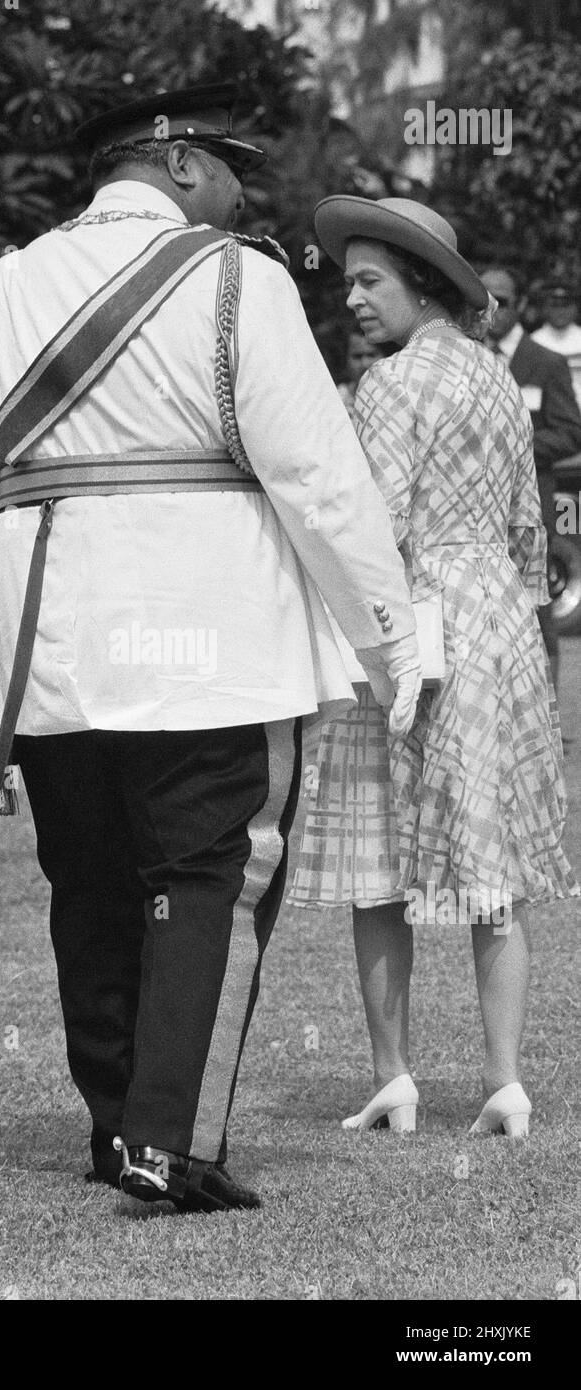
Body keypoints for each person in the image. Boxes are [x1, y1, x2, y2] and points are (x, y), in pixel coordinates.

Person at [0, 84, 421, 1214]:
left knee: (91, 886)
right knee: (205, 878)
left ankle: (114, 1125)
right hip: (208, 635)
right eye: (229, 167)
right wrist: (388, 637)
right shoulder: (235, 279)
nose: (241, 191)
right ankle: (167, 1137)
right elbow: (314, 478)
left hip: (48, 639)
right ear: (174, 165)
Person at [287, 197, 578, 1139]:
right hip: (496, 617)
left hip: (412, 619)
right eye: (348, 283)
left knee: (380, 855)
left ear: (423, 283)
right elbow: (531, 528)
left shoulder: (391, 383)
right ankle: (504, 1081)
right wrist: (514, 611)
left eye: (371, 282)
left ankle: (395, 1076)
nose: (354, 301)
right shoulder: (498, 377)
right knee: (490, 855)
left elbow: (379, 526)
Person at [481, 267, 581, 690]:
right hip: (475, 514)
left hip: (530, 510)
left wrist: (513, 446)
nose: (493, 309)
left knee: (537, 616)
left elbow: (570, 431)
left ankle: (551, 722)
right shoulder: (468, 357)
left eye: (503, 299)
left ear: (520, 304)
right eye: (485, 297)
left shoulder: (545, 362)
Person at [531, 275, 581, 415]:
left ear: (575, 308)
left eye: (565, 305)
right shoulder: (533, 342)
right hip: (549, 417)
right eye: (554, 305)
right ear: (544, 307)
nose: (560, 311)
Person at [336, 325, 384, 407]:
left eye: (371, 355)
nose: (364, 364)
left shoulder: (400, 396)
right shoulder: (337, 399)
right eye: (357, 356)